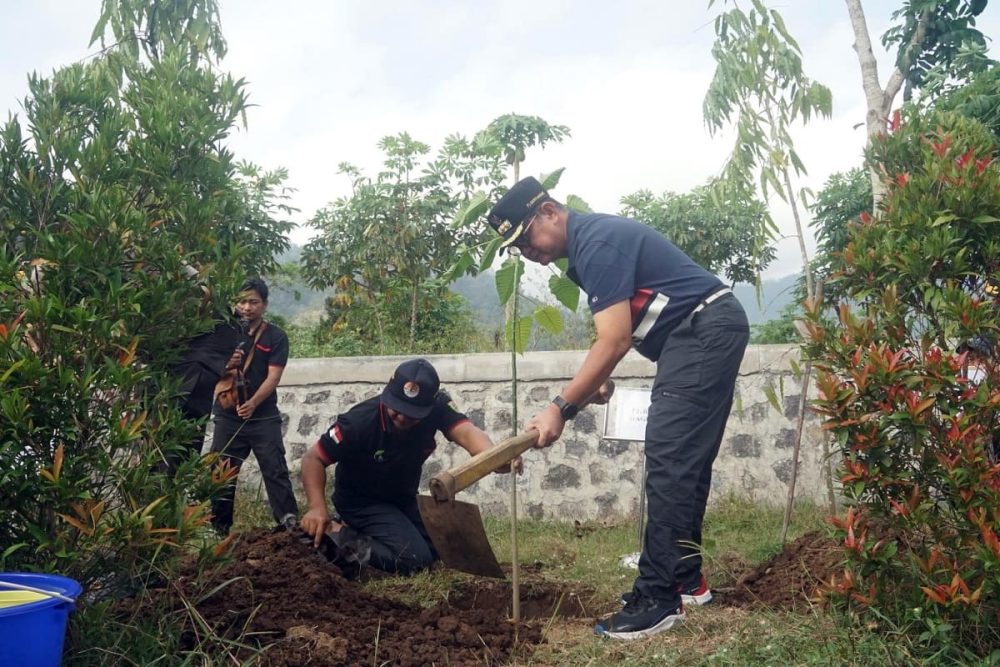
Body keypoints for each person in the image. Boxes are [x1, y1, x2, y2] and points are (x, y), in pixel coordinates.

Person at [487, 177, 750, 640]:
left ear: (549, 211)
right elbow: (623, 330)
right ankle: (687, 581)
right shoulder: (589, 249)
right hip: (696, 334)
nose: (527, 251)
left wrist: (560, 408)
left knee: (669, 460)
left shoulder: (596, 242)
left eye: (527, 237)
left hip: (701, 331)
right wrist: (596, 384)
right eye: (517, 248)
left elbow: (614, 339)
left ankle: (657, 599)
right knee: (683, 462)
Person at [299, 358, 511, 575]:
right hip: (361, 503)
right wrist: (317, 508)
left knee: (446, 546)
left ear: (428, 406)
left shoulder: (437, 408)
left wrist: (496, 457)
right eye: (397, 408)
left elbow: (467, 433)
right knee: (414, 561)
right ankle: (338, 532)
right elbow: (313, 458)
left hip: (402, 499)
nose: (401, 416)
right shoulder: (358, 422)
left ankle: (369, 535)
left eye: (412, 414)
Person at [210, 277, 299, 535]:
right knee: (223, 472)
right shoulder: (223, 332)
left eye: (253, 302)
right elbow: (210, 368)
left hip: (264, 416)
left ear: (265, 305)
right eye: (242, 301)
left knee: (275, 470)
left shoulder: (276, 336)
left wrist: (253, 403)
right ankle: (218, 529)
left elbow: (274, 377)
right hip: (228, 415)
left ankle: (289, 525)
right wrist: (227, 364)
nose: (247, 307)